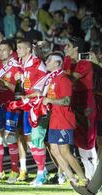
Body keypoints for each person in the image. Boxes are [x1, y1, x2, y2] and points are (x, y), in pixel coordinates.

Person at [42, 52, 87, 186]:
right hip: (54, 119)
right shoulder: (51, 79)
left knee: (65, 152)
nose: (46, 62)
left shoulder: (63, 79)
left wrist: (49, 100)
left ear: (57, 63)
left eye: (49, 60)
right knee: (55, 150)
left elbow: (67, 101)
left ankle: (83, 178)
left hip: (64, 120)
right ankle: (72, 179)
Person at [64, 37, 98, 180]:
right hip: (76, 101)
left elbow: (69, 79)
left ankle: (95, 176)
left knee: (88, 138)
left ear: (76, 49)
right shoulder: (74, 63)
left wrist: (65, 63)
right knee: (79, 138)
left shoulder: (85, 64)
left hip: (86, 102)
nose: (65, 48)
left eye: (68, 46)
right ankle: (90, 176)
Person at [16, 40, 47, 185]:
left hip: (37, 106)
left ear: (29, 49)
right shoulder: (21, 65)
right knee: (29, 139)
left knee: (37, 139)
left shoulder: (38, 64)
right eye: (17, 48)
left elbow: (43, 85)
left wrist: (28, 96)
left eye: (21, 48)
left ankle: (41, 173)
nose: (18, 50)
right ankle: (43, 170)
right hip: (26, 106)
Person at [0, 40, 22, 184]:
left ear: (11, 52)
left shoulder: (16, 67)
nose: (0, 52)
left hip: (11, 105)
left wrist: (2, 83)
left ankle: (15, 171)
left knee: (10, 137)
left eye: (4, 50)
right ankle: (0, 170)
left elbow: (19, 90)